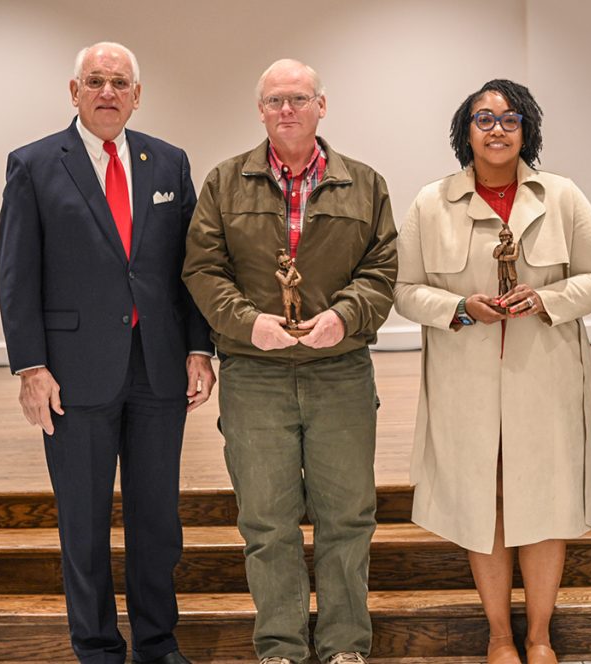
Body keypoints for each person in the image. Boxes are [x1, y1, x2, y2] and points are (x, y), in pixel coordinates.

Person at [0, 42, 214, 664]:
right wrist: (31, 367)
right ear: (74, 91)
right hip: (72, 373)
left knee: (157, 524)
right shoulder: (35, 164)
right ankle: (95, 648)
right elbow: (17, 275)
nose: (108, 92)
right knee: (84, 526)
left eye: (120, 82)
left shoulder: (168, 163)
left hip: (157, 368)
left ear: (137, 95)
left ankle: (157, 643)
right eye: (95, 80)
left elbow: (191, 267)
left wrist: (199, 347)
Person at [182, 59, 397, 664]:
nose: (287, 110)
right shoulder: (225, 184)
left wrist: (345, 316)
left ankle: (345, 646)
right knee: (267, 521)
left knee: (347, 518)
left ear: (321, 106)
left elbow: (382, 270)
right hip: (255, 374)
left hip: (341, 371)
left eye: (299, 99)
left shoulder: (365, 183)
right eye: (275, 100)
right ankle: (279, 646)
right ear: (260, 110)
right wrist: (248, 323)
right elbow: (202, 268)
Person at [394, 79, 591, 664]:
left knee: (544, 502)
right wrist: (459, 308)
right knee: (482, 499)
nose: (497, 129)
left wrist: (546, 300)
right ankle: (498, 636)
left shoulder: (561, 196)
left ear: (527, 130)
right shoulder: (429, 202)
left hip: (544, 375)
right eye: (483, 119)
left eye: (510, 119)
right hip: (464, 379)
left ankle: (539, 636)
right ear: (465, 132)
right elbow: (406, 291)